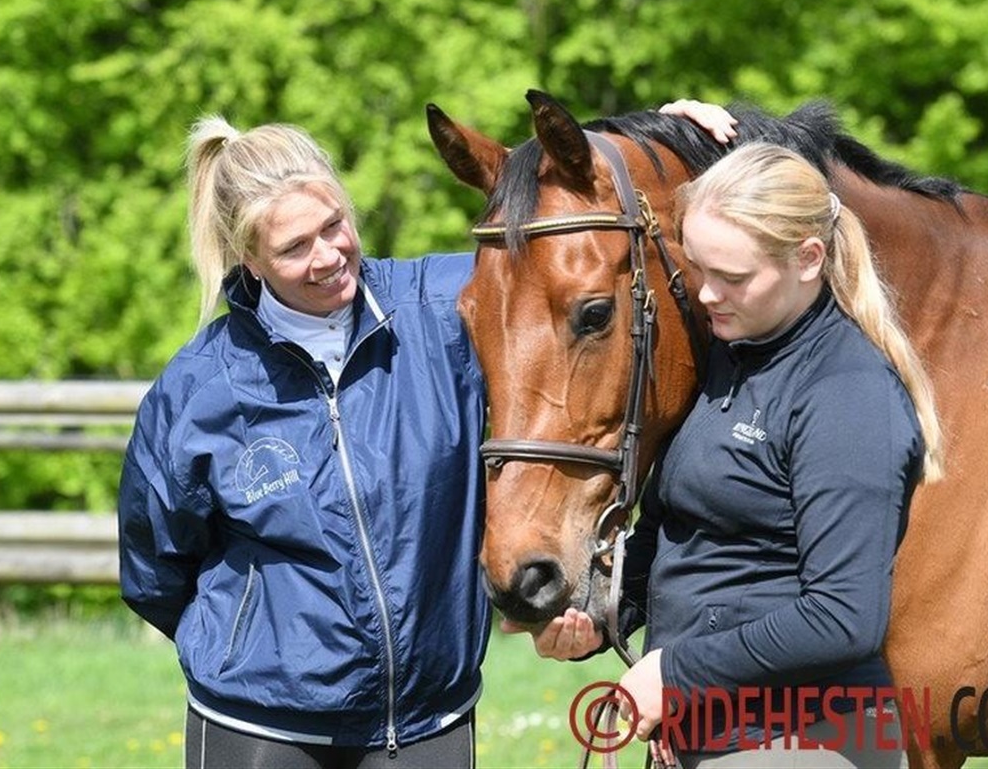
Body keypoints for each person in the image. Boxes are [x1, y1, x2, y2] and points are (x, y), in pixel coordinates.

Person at [117, 104, 740, 769]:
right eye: (295, 248)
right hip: (260, 727)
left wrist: (659, 136)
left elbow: (569, 240)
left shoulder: (446, 310)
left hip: (427, 720)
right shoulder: (199, 388)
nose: (328, 256)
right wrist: (254, 647)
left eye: (334, 225)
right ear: (250, 258)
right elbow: (155, 570)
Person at [519, 139, 945, 769]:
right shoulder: (728, 357)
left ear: (808, 259)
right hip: (705, 737)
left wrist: (677, 673)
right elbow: (672, 533)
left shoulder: (847, 395)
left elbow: (843, 618)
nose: (707, 295)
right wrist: (600, 618)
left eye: (734, 278)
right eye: (699, 269)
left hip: (803, 742)